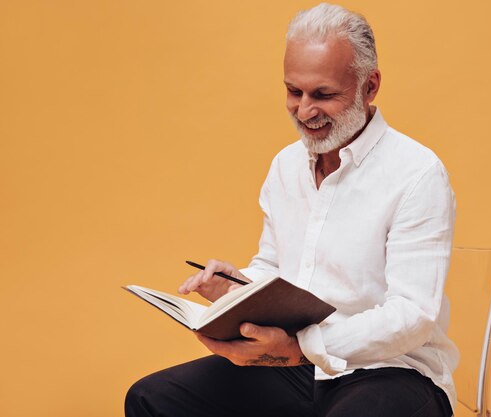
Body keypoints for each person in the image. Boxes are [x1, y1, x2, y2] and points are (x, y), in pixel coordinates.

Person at [125, 3, 457, 417]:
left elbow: (413, 316)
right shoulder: (285, 165)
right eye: (293, 91)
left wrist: (302, 347)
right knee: (152, 399)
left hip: (393, 372)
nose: (304, 111)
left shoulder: (417, 173)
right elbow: (276, 268)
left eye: (323, 94)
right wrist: (236, 290)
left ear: (369, 86)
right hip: (293, 366)